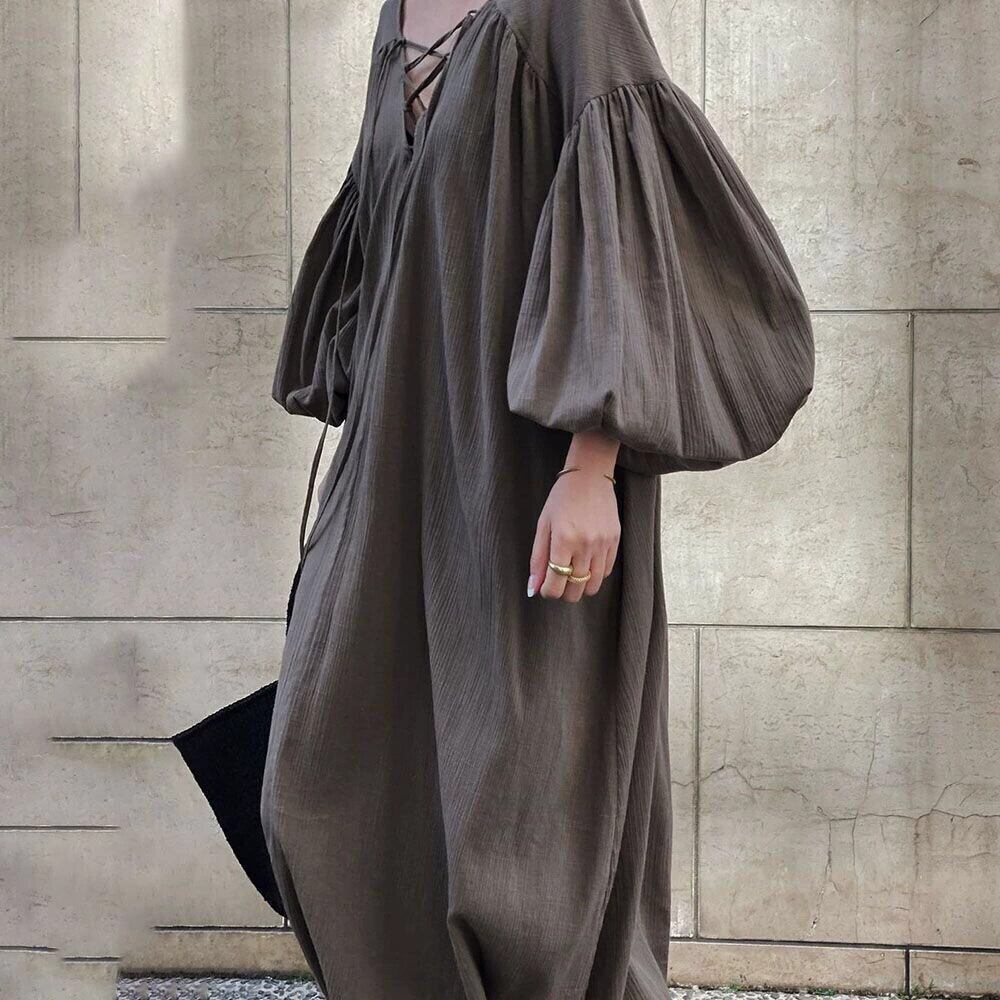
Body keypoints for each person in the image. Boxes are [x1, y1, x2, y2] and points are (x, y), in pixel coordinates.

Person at [260, 0, 815, 996]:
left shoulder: (572, 11)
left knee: (521, 826)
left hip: (529, 472)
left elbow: (628, 223)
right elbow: (393, 232)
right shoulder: (397, 12)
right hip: (392, 469)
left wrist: (592, 464)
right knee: (313, 785)